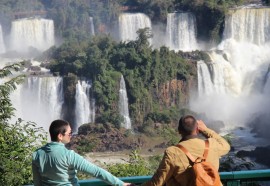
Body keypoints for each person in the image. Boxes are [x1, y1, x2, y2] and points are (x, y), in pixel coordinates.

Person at [32, 119, 134, 186]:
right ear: (60, 136)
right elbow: (97, 172)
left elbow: (37, 183)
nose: (71, 135)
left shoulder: (37, 154)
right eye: (69, 133)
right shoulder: (69, 155)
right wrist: (120, 184)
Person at [142, 115, 230, 186]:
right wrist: (205, 130)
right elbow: (226, 145)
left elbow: (157, 182)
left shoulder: (173, 152)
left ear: (179, 131)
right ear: (197, 129)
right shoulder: (212, 145)